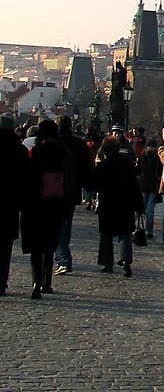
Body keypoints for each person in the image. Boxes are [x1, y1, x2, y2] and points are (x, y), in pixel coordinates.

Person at [20, 119, 69, 298]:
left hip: (35, 203)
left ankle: (35, 282)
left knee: (36, 246)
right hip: (56, 202)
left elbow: (27, 178)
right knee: (50, 244)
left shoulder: (35, 152)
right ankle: (47, 282)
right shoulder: (63, 152)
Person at [92, 136, 144, 277]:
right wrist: (139, 205)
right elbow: (135, 186)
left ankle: (107, 263)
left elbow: (93, 185)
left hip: (107, 204)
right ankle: (126, 261)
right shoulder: (127, 165)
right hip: (125, 204)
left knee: (106, 235)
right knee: (125, 233)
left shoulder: (102, 166)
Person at [54, 115, 93, 275]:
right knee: (66, 223)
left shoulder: (54, 143)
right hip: (73, 189)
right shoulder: (80, 144)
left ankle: (64, 258)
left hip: (55, 188)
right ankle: (62, 255)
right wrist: (88, 187)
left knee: (57, 225)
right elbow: (86, 168)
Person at [0, 114, 28, 296]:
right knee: (5, 246)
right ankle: (1, 282)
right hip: (10, 203)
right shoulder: (20, 150)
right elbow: (25, 179)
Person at [137, 138, 163, 239]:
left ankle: (148, 230)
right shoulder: (142, 157)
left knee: (149, 210)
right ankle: (140, 227)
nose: (152, 149)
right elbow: (138, 171)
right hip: (144, 186)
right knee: (141, 209)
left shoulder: (157, 159)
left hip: (153, 187)